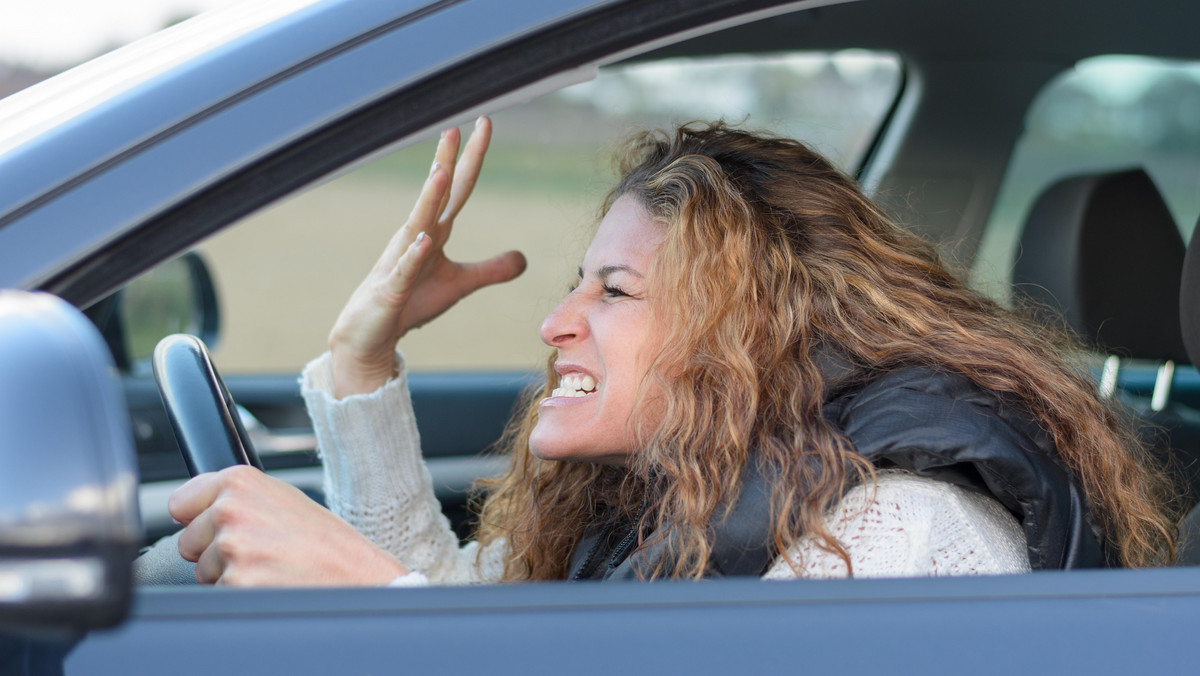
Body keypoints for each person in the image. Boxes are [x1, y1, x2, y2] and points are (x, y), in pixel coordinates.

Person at [167, 118, 1176, 586]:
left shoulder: (908, 537)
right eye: (577, 281)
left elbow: (419, 622)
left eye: (614, 290)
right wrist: (358, 363)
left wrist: (370, 606)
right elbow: (452, 607)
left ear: (751, 329)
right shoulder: (674, 502)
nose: (556, 321)